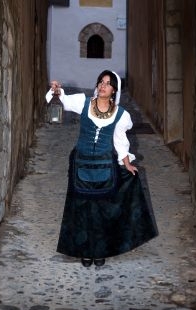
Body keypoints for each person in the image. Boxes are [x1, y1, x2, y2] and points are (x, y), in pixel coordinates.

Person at [46, 70, 158, 267]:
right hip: (81, 164)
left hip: (104, 167)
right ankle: (84, 251)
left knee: (101, 210)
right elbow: (63, 98)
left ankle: (99, 251)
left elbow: (120, 142)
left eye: (107, 83)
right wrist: (56, 90)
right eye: (100, 82)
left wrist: (127, 163)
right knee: (81, 209)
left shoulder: (121, 116)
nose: (102, 86)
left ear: (114, 89)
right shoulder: (84, 102)